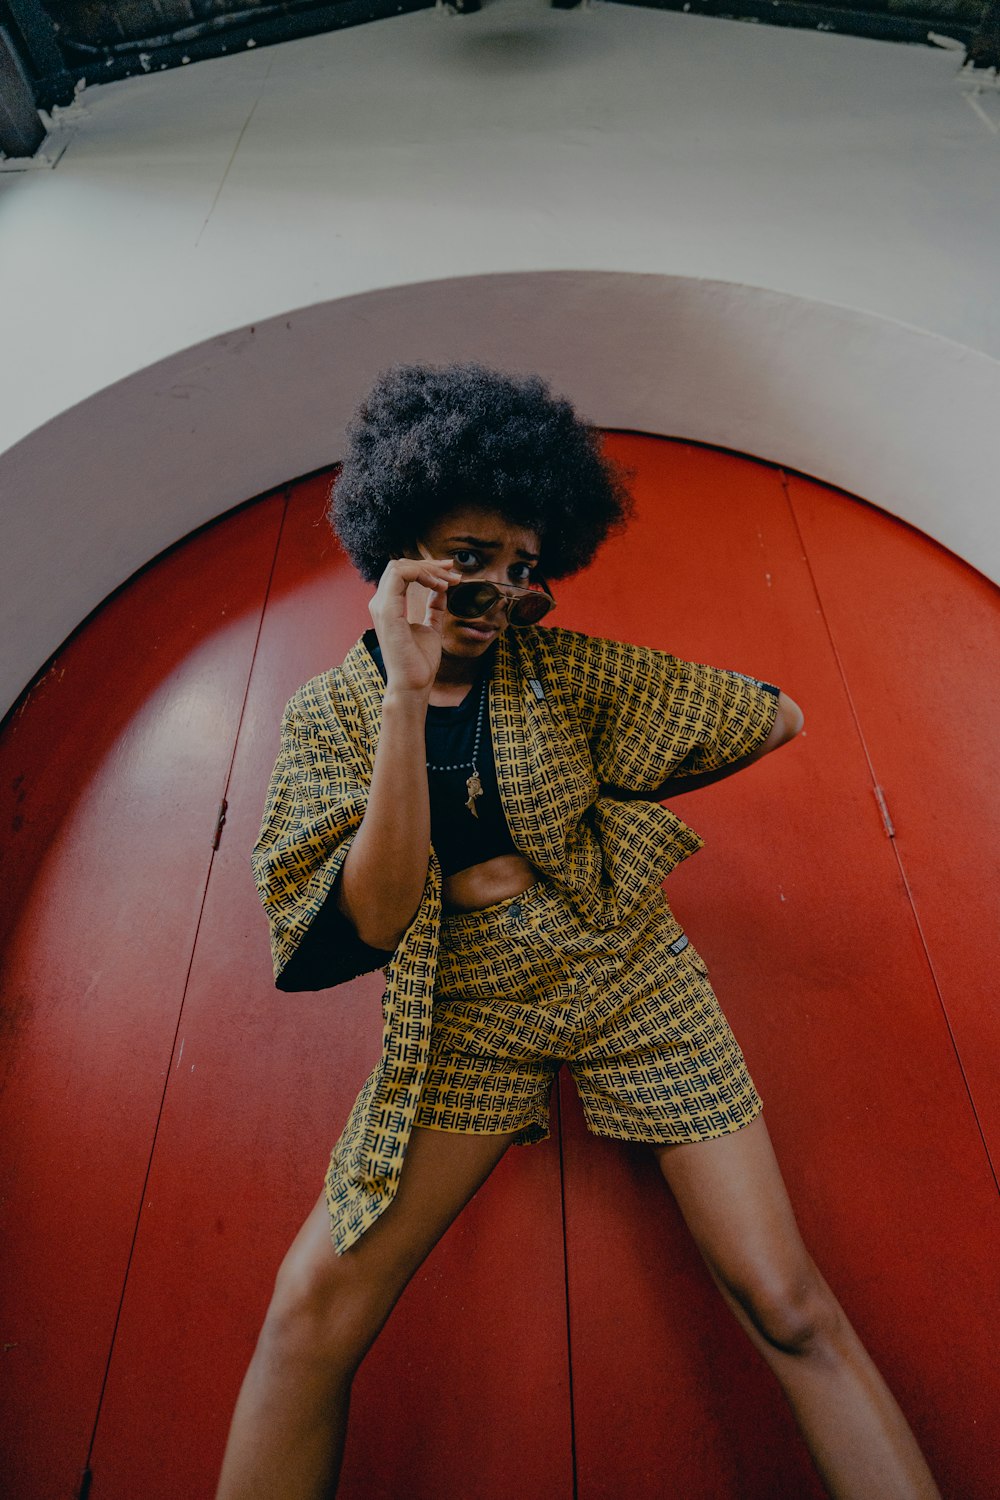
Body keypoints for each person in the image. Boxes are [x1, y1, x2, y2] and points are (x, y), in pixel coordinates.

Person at [216, 362, 940, 1500]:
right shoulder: (332, 716)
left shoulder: (567, 673)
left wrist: (621, 796)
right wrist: (404, 696)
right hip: (470, 1010)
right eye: (471, 560)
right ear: (399, 546)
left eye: (523, 571)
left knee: (785, 1300)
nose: (502, 593)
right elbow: (370, 918)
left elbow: (777, 712)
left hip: (629, 976)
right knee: (310, 1310)